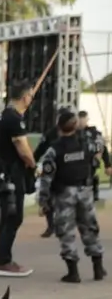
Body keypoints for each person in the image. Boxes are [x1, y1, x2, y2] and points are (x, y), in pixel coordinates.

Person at [36, 109, 106, 283]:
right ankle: (98, 268)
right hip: (85, 191)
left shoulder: (54, 150)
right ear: (75, 127)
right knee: (89, 227)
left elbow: (46, 178)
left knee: (66, 231)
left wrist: (43, 200)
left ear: (59, 127)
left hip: (64, 194)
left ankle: (73, 272)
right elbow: (99, 148)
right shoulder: (86, 144)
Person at [0, 80, 36, 277]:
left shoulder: (3, 116)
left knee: (9, 216)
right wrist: (33, 164)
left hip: (2, 171)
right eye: (31, 96)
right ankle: (4, 262)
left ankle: (4, 259)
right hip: (10, 173)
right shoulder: (13, 118)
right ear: (25, 97)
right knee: (13, 216)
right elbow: (22, 147)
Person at [33, 107, 73, 238]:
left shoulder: (76, 134)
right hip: (52, 169)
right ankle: (51, 226)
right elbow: (40, 149)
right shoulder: (50, 134)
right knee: (48, 197)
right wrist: (32, 163)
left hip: (68, 170)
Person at [77, 110, 112, 203]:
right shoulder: (72, 132)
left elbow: (102, 148)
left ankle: (93, 190)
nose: (81, 122)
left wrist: (108, 165)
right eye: (80, 120)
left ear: (87, 120)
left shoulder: (94, 133)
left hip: (90, 164)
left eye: (83, 120)